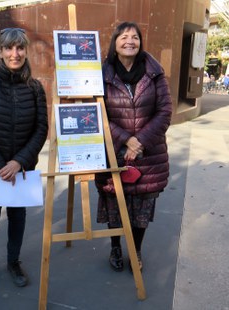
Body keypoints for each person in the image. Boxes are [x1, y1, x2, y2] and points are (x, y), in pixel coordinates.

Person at [0, 27, 48, 295]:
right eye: (9, 48)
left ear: (25, 51)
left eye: (20, 48)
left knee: (18, 218)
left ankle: (14, 262)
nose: (15, 54)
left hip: (22, 169)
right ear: (0, 52)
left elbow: (41, 129)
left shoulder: (35, 88)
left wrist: (19, 162)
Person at [95, 22, 172, 272]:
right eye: (124, 36)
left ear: (140, 42)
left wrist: (139, 142)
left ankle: (135, 249)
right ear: (114, 43)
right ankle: (116, 246)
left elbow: (165, 111)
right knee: (114, 203)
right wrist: (125, 139)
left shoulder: (155, 72)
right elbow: (97, 113)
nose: (130, 41)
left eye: (135, 37)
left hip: (148, 153)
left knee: (142, 207)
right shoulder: (101, 74)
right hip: (113, 151)